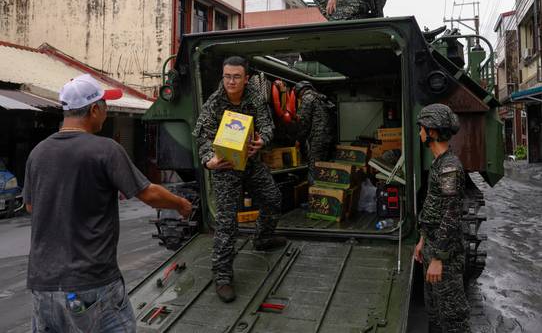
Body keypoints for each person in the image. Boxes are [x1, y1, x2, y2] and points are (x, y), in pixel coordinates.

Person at [23, 74, 193, 333]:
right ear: (93, 110)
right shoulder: (105, 149)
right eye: (105, 106)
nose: (107, 112)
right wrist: (181, 203)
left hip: (43, 287)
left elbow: (31, 207)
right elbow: (148, 194)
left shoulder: (38, 153)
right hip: (90, 284)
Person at [193, 56, 285, 303]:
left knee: (273, 198)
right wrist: (208, 160)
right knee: (226, 222)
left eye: (236, 77)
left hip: (251, 163)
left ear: (246, 78)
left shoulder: (254, 95)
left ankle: (262, 239)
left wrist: (262, 141)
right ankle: (222, 277)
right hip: (225, 167)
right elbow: (202, 137)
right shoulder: (214, 103)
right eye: (227, 76)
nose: (231, 81)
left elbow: (267, 125)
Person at [414, 103, 471, 333]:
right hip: (432, 247)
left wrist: (438, 258)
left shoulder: (449, 167)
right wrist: (422, 240)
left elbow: (451, 214)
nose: (419, 133)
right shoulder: (438, 163)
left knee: (453, 318)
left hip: (444, 256)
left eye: (422, 128)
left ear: (433, 132)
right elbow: (433, 208)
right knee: (435, 314)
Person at [294, 81, 335, 183]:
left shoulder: (307, 98)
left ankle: (315, 195)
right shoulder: (321, 98)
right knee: (325, 168)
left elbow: (303, 122)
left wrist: (299, 139)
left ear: (300, 92)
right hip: (329, 138)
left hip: (317, 140)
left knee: (314, 169)